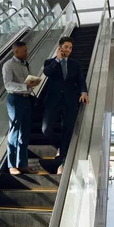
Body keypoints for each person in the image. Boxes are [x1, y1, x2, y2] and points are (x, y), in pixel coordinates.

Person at [42, 36, 89, 174]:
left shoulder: (75, 64)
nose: (68, 50)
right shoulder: (50, 62)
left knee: (68, 131)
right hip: (52, 102)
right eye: (66, 47)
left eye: (70, 48)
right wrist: (57, 59)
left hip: (70, 101)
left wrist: (84, 92)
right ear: (60, 47)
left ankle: (62, 163)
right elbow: (47, 73)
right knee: (46, 129)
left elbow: (81, 80)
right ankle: (60, 147)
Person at [2, 41, 40, 175]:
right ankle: (12, 165)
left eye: (27, 50)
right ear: (16, 51)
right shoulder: (8, 65)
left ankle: (23, 164)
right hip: (15, 99)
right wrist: (25, 86)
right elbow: (8, 85)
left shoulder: (26, 64)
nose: (27, 52)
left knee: (24, 133)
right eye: (24, 51)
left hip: (26, 99)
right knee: (14, 131)